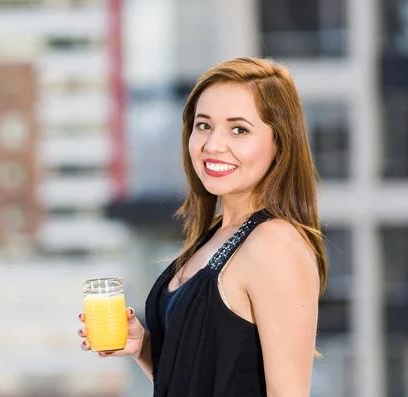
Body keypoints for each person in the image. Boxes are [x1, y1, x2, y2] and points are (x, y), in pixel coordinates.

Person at [77, 57, 327, 396]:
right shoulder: (216, 235)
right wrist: (143, 347)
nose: (213, 145)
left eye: (239, 129)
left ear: (279, 145)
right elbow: (200, 380)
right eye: (204, 125)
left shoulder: (274, 243)